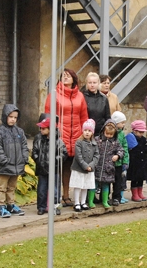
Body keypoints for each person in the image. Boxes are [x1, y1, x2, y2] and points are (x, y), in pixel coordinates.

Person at [44, 69, 89, 207]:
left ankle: (66, 195)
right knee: (58, 166)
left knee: (69, 167)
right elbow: (48, 114)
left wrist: (83, 134)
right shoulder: (54, 94)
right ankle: (55, 196)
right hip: (60, 135)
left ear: (73, 79)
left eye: (68, 76)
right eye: (63, 76)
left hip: (75, 135)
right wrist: (53, 132)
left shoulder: (80, 96)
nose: (65, 78)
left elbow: (83, 116)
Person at [0, 104, 28, 218]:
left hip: (17, 165)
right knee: (2, 187)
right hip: (5, 165)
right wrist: (3, 160)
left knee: (12, 187)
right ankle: (1, 205)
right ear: (5, 116)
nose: (13, 119)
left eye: (15, 117)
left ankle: (10, 204)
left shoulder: (19, 131)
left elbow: (24, 146)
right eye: (10, 117)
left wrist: (24, 158)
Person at [32, 116, 67, 216]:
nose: (41, 130)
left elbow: (63, 153)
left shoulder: (58, 141)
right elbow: (34, 152)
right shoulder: (39, 140)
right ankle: (41, 207)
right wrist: (38, 160)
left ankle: (56, 206)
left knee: (55, 189)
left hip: (54, 170)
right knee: (42, 190)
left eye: (43, 128)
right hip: (42, 169)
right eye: (41, 128)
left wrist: (55, 161)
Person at [70, 119, 98, 212]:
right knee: (78, 185)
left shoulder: (94, 144)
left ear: (92, 132)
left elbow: (97, 155)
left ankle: (83, 202)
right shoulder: (79, 142)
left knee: (85, 186)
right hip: (79, 168)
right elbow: (78, 156)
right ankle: (77, 202)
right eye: (85, 130)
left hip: (90, 169)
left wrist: (91, 165)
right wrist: (85, 166)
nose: (87, 132)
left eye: (89, 131)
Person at [94, 119, 123, 209]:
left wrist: (117, 156)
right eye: (107, 134)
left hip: (108, 168)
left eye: (111, 134)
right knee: (94, 184)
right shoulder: (97, 140)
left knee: (106, 184)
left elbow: (121, 150)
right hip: (97, 166)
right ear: (103, 131)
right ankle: (90, 200)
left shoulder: (116, 142)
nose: (109, 136)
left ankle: (105, 200)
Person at [126, 120, 147, 202]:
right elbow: (137, 149)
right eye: (140, 132)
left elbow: (145, 149)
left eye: (142, 132)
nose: (141, 134)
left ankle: (140, 192)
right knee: (135, 179)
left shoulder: (143, 139)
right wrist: (145, 148)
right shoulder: (130, 138)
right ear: (134, 131)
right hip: (134, 162)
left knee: (141, 179)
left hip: (142, 162)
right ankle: (134, 194)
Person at [111, 111, 129, 205]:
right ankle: (104, 197)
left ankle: (116, 198)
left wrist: (125, 161)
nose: (123, 124)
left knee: (118, 182)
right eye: (122, 122)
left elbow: (124, 147)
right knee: (106, 181)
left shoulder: (122, 134)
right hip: (109, 162)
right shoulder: (109, 133)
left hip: (119, 162)